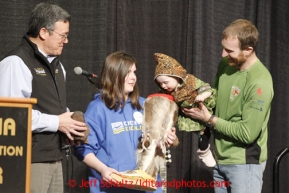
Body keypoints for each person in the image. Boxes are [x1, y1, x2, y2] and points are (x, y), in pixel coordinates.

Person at [0, 2, 87, 193]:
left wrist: (69, 127)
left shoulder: (58, 66)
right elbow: (12, 117)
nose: (66, 41)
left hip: (56, 158)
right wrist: (57, 122)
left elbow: (55, 111)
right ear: (43, 32)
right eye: (62, 35)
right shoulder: (16, 63)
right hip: (29, 161)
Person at [183, 19, 274, 193]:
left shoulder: (259, 82)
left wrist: (209, 119)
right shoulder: (226, 64)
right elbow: (216, 95)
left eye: (229, 50)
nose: (223, 54)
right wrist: (202, 97)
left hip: (244, 165)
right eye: (223, 47)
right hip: (220, 159)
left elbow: (247, 134)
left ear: (248, 50)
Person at [73, 51, 178, 193]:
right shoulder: (97, 108)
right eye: (128, 73)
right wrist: (103, 169)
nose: (133, 78)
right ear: (114, 74)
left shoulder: (145, 104)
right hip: (112, 187)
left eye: (134, 72)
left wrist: (166, 139)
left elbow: (155, 143)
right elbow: (83, 149)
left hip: (147, 186)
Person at [153, 53, 217, 167]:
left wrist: (203, 95)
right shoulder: (166, 91)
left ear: (176, 76)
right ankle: (204, 150)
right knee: (201, 133)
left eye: (165, 82)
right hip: (188, 115)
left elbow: (206, 87)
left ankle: (204, 151)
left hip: (203, 106)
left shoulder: (190, 81)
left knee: (205, 131)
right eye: (160, 83)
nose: (163, 86)